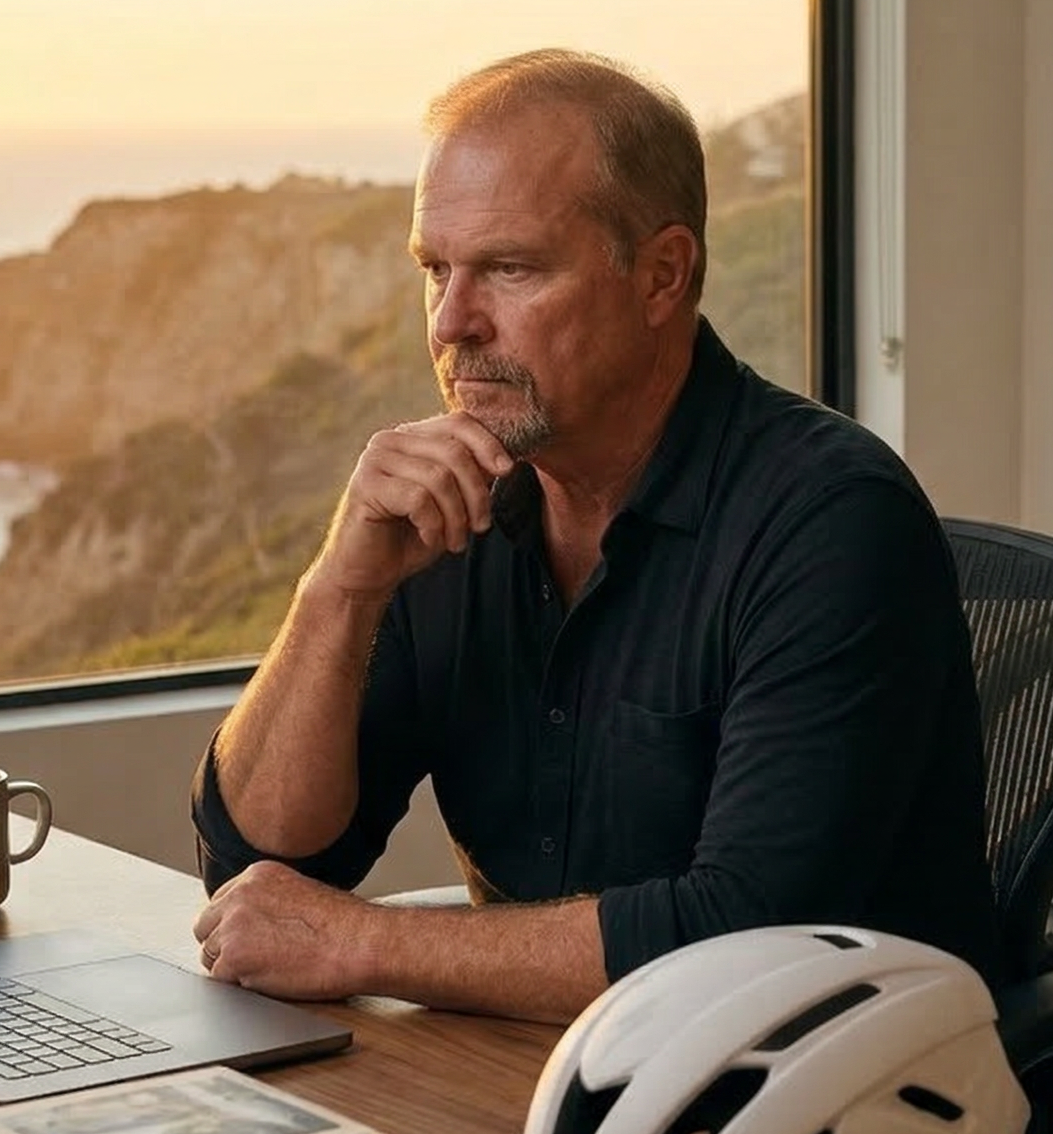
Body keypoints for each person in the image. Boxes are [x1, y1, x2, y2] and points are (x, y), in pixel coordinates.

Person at [188, 50, 1000, 1022]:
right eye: (435, 269)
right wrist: (340, 592)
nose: (451, 323)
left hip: (829, 1108)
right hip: (552, 1076)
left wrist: (364, 942)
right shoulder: (453, 503)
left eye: (510, 268)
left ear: (662, 275)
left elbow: (748, 935)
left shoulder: (832, 522)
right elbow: (261, 870)